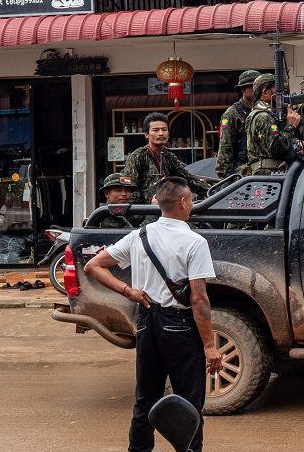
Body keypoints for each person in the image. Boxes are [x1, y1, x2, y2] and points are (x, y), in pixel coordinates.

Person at [83, 177, 222, 452]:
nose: (192, 204)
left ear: (158, 203)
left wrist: (128, 291)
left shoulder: (139, 236)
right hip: (180, 327)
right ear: (183, 202)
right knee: (189, 401)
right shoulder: (194, 242)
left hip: (147, 320)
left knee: (145, 400)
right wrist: (209, 345)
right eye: (191, 200)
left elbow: (93, 266)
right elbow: (199, 299)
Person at [121, 112, 210, 204]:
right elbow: (129, 190)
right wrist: (147, 205)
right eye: (156, 130)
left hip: (168, 207)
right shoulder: (138, 156)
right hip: (146, 211)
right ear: (147, 134)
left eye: (164, 130)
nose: (161, 133)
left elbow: (188, 180)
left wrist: (213, 190)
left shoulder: (168, 156)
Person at [245, 73, 302, 175]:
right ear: (265, 92)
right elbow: (277, 149)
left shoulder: (268, 114)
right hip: (267, 175)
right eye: (277, 91)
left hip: (273, 173)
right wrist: (290, 126)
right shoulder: (263, 116)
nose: (282, 96)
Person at [215, 69, 261, 179]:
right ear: (243, 89)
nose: (255, 90)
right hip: (243, 170)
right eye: (251, 86)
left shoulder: (265, 111)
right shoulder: (232, 113)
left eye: (258, 87)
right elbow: (225, 147)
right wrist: (225, 177)